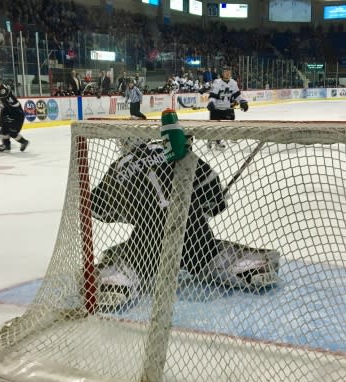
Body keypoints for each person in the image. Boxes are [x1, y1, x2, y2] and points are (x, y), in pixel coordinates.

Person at [89, 135, 280, 310]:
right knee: (210, 255)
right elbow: (213, 189)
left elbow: (99, 209)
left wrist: (135, 211)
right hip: (191, 224)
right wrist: (209, 205)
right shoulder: (175, 150)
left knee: (125, 257)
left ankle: (118, 282)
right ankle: (248, 267)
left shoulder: (119, 166)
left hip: (150, 233)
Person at [206, 65, 248, 148]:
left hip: (227, 108)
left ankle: (219, 141)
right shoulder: (217, 82)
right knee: (214, 127)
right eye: (226, 71)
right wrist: (211, 103)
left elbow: (237, 95)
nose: (228, 73)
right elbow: (213, 95)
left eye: (229, 71)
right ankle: (211, 139)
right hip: (216, 109)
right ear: (223, 73)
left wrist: (243, 102)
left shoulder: (233, 83)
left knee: (227, 125)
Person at [0, 75, 29, 152]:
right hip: (9, 113)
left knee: (12, 132)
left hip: (17, 114)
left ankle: (24, 142)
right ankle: (7, 145)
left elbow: (4, 105)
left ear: (0, 82)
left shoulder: (3, 91)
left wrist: (5, 115)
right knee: (4, 129)